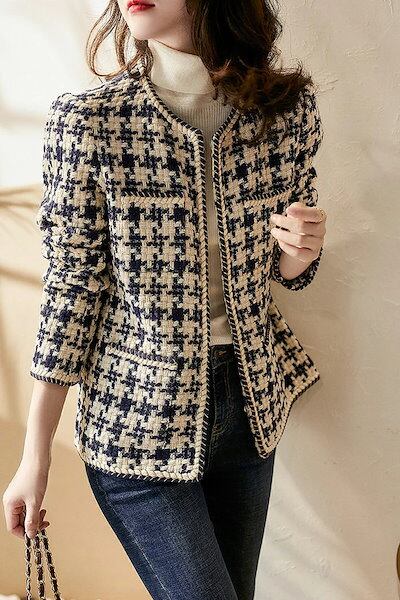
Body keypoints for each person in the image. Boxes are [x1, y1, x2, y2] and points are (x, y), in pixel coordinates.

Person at [2, 1, 327, 598]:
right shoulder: (90, 123)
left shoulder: (283, 113)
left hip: (251, 408)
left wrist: (300, 253)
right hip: (138, 423)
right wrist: (35, 455)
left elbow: (284, 271)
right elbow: (72, 292)